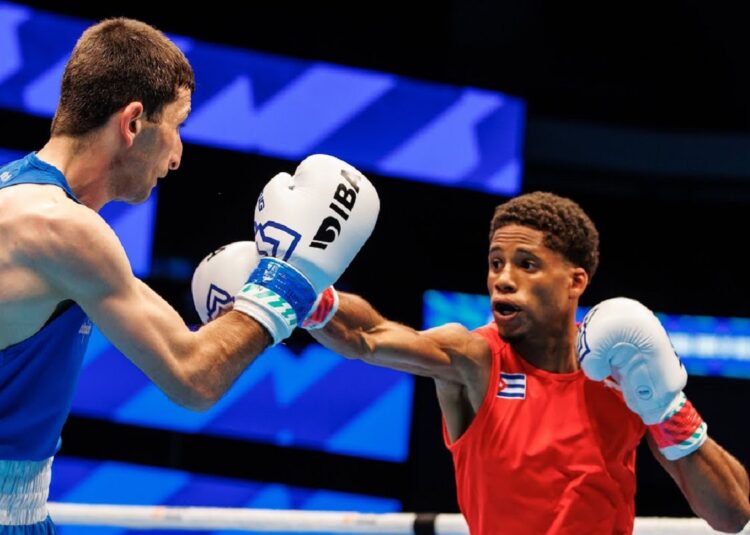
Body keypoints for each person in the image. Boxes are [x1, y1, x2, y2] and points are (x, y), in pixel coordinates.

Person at [0, 18, 379, 532]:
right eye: (176, 126)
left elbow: (188, 344)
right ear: (133, 123)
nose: (177, 156)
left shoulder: (29, 201)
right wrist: (290, 275)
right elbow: (194, 377)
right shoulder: (62, 229)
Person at [197, 191, 750, 533]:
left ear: (576, 280)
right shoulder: (475, 357)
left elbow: (732, 514)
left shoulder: (622, 366)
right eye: (495, 262)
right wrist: (304, 293)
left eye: (527, 264)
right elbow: (368, 335)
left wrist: (663, 404)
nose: (503, 278)